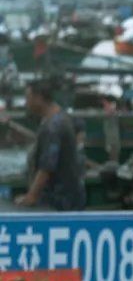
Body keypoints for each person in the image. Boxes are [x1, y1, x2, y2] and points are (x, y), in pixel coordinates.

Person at [16, 77, 86, 210]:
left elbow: (47, 167)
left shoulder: (54, 127)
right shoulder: (60, 118)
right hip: (68, 197)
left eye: (28, 98)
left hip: (59, 202)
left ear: (38, 98)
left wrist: (31, 196)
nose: (26, 103)